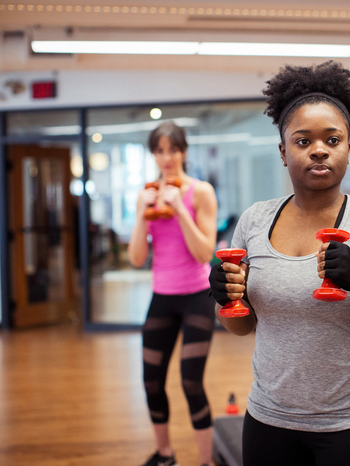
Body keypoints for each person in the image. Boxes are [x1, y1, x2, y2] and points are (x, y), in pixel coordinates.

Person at [208, 60, 350, 466]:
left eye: (332, 139)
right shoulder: (255, 222)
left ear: (348, 148)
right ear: (283, 151)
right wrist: (223, 297)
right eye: (303, 140)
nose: (319, 149)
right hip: (268, 423)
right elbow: (240, 326)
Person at [128, 121, 218, 466]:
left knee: (191, 383)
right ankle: (165, 455)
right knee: (151, 382)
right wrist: (141, 214)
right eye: (160, 150)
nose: (167, 157)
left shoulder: (201, 192)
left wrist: (180, 208)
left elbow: (203, 252)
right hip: (161, 298)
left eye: (173, 149)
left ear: (184, 151)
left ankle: (207, 460)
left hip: (196, 296)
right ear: (154, 154)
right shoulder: (145, 195)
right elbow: (137, 259)